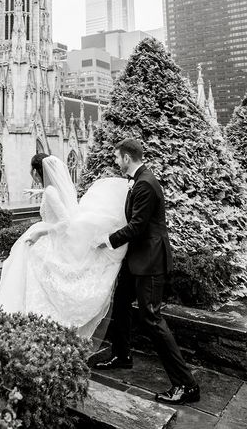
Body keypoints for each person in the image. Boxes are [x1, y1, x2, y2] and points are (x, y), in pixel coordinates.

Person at [94, 138, 200, 406]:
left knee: (151, 318)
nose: (116, 162)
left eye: (117, 157)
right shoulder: (139, 180)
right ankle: (122, 355)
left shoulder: (145, 184)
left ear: (127, 158)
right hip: (137, 258)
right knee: (120, 303)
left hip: (150, 260)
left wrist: (106, 240)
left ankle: (186, 385)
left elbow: (138, 226)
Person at [0, 152, 129, 343]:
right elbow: (55, 196)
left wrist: (41, 232)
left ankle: (25, 319)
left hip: (51, 236)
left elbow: (65, 221)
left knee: (25, 262)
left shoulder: (50, 191)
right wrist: (38, 193)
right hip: (54, 234)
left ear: (35, 172)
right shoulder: (53, 188)